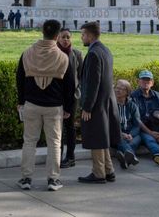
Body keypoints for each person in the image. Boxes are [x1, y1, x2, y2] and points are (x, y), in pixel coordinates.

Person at [15, 19, 74, 192]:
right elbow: (70, 85)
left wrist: (21, 101)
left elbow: (19, 79)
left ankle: (26, 178)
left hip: (32, 103)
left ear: (42, 31)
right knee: (54, 143)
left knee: (29, 142)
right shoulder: (63, 57)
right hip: (54, 106)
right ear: (57, 35)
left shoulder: (27, 53)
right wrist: (68, 108)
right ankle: (53, 179)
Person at [77, 21, 120, 184]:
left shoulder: (94, 53)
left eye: (83, 34)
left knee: (96, 137)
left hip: (96, 104)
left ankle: (98, 173)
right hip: (106, 101)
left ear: (89, 35)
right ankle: (109, 170)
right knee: (102, 137)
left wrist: (87, 106)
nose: (81, 38)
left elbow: (92, 83)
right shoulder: (105, 50)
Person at [56, 27, 83, 168]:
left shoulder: (77, 54)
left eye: (68, 37)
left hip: (72, 96)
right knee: (57, 128)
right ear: (57, 38)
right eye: (63, 37)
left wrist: (77, 90)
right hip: (56, 97)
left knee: (70, 126)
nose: (66, 40)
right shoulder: (53, 54)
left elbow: (80, 75)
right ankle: (57, 157)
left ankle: (70, 157)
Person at [112, 79, 143, 168]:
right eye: (117, 88)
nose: (117, 90)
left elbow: (137, 125)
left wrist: (130, 135)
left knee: (137, 138)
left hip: (131, 135)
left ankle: (124, 159)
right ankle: (131, 157)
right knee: (120, 140)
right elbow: (108, 124)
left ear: (127, 92)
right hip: (116, 135)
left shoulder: (132, 105)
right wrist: (121, 133)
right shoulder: (110, 105)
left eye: (121, 88)